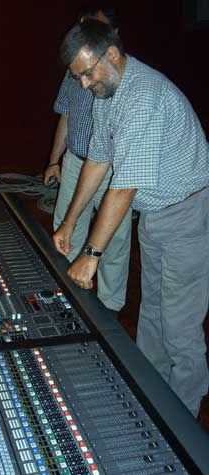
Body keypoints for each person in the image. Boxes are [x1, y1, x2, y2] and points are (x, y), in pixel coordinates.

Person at [53, 19, 209, 417]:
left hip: (188, 214)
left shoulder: (143, 96)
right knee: (153, 315)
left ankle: (184, 418)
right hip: (157, 215)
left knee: (179, 328)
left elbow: (123, 189)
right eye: (77, 77)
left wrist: (91, 253)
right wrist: (71, 222)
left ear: (111, 55)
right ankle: (154, 402)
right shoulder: (109, 93)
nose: (84, 85)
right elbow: (98, 161)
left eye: (87, 73)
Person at [44, 3, 132, 312]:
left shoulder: (126, 82)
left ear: (113, 40)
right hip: (76, 162)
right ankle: (65, 302)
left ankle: (110, 308)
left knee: (115, 240)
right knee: (66, 232)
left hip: (112, 172)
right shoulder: (74, 73)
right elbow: (65, 117)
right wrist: (55, 161)